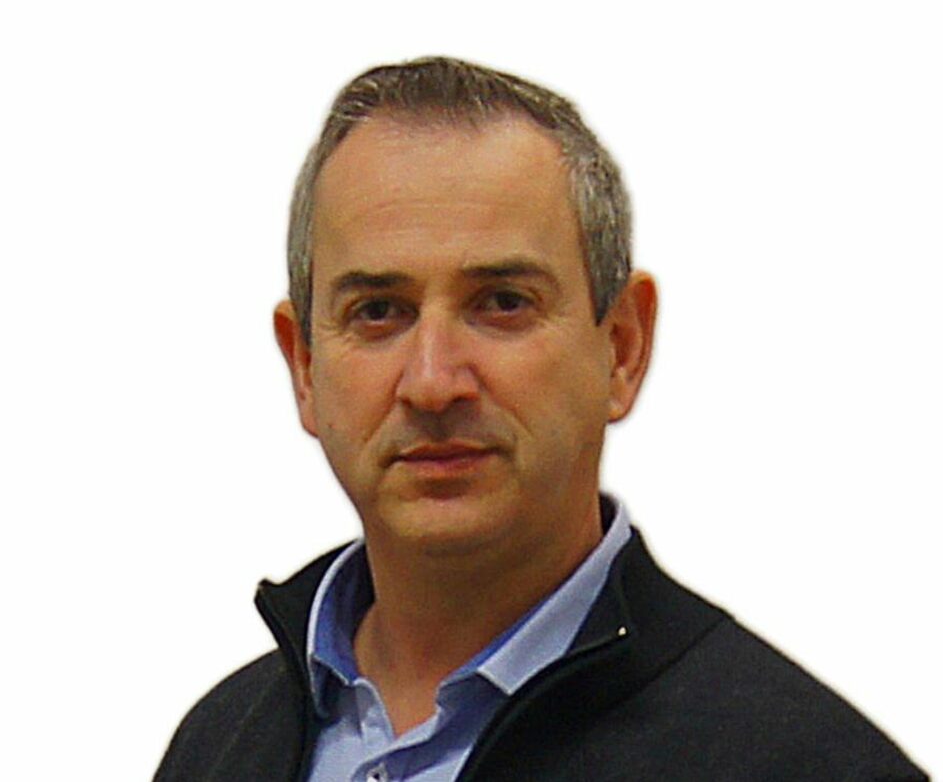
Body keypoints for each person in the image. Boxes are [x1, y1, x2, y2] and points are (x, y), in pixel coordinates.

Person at [154, 57, 927, 781]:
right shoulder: (219, 746)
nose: (432, 382)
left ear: (621, 348)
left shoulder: (807, 764)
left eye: (501, 303)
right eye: (379, 311)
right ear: (304, 367)